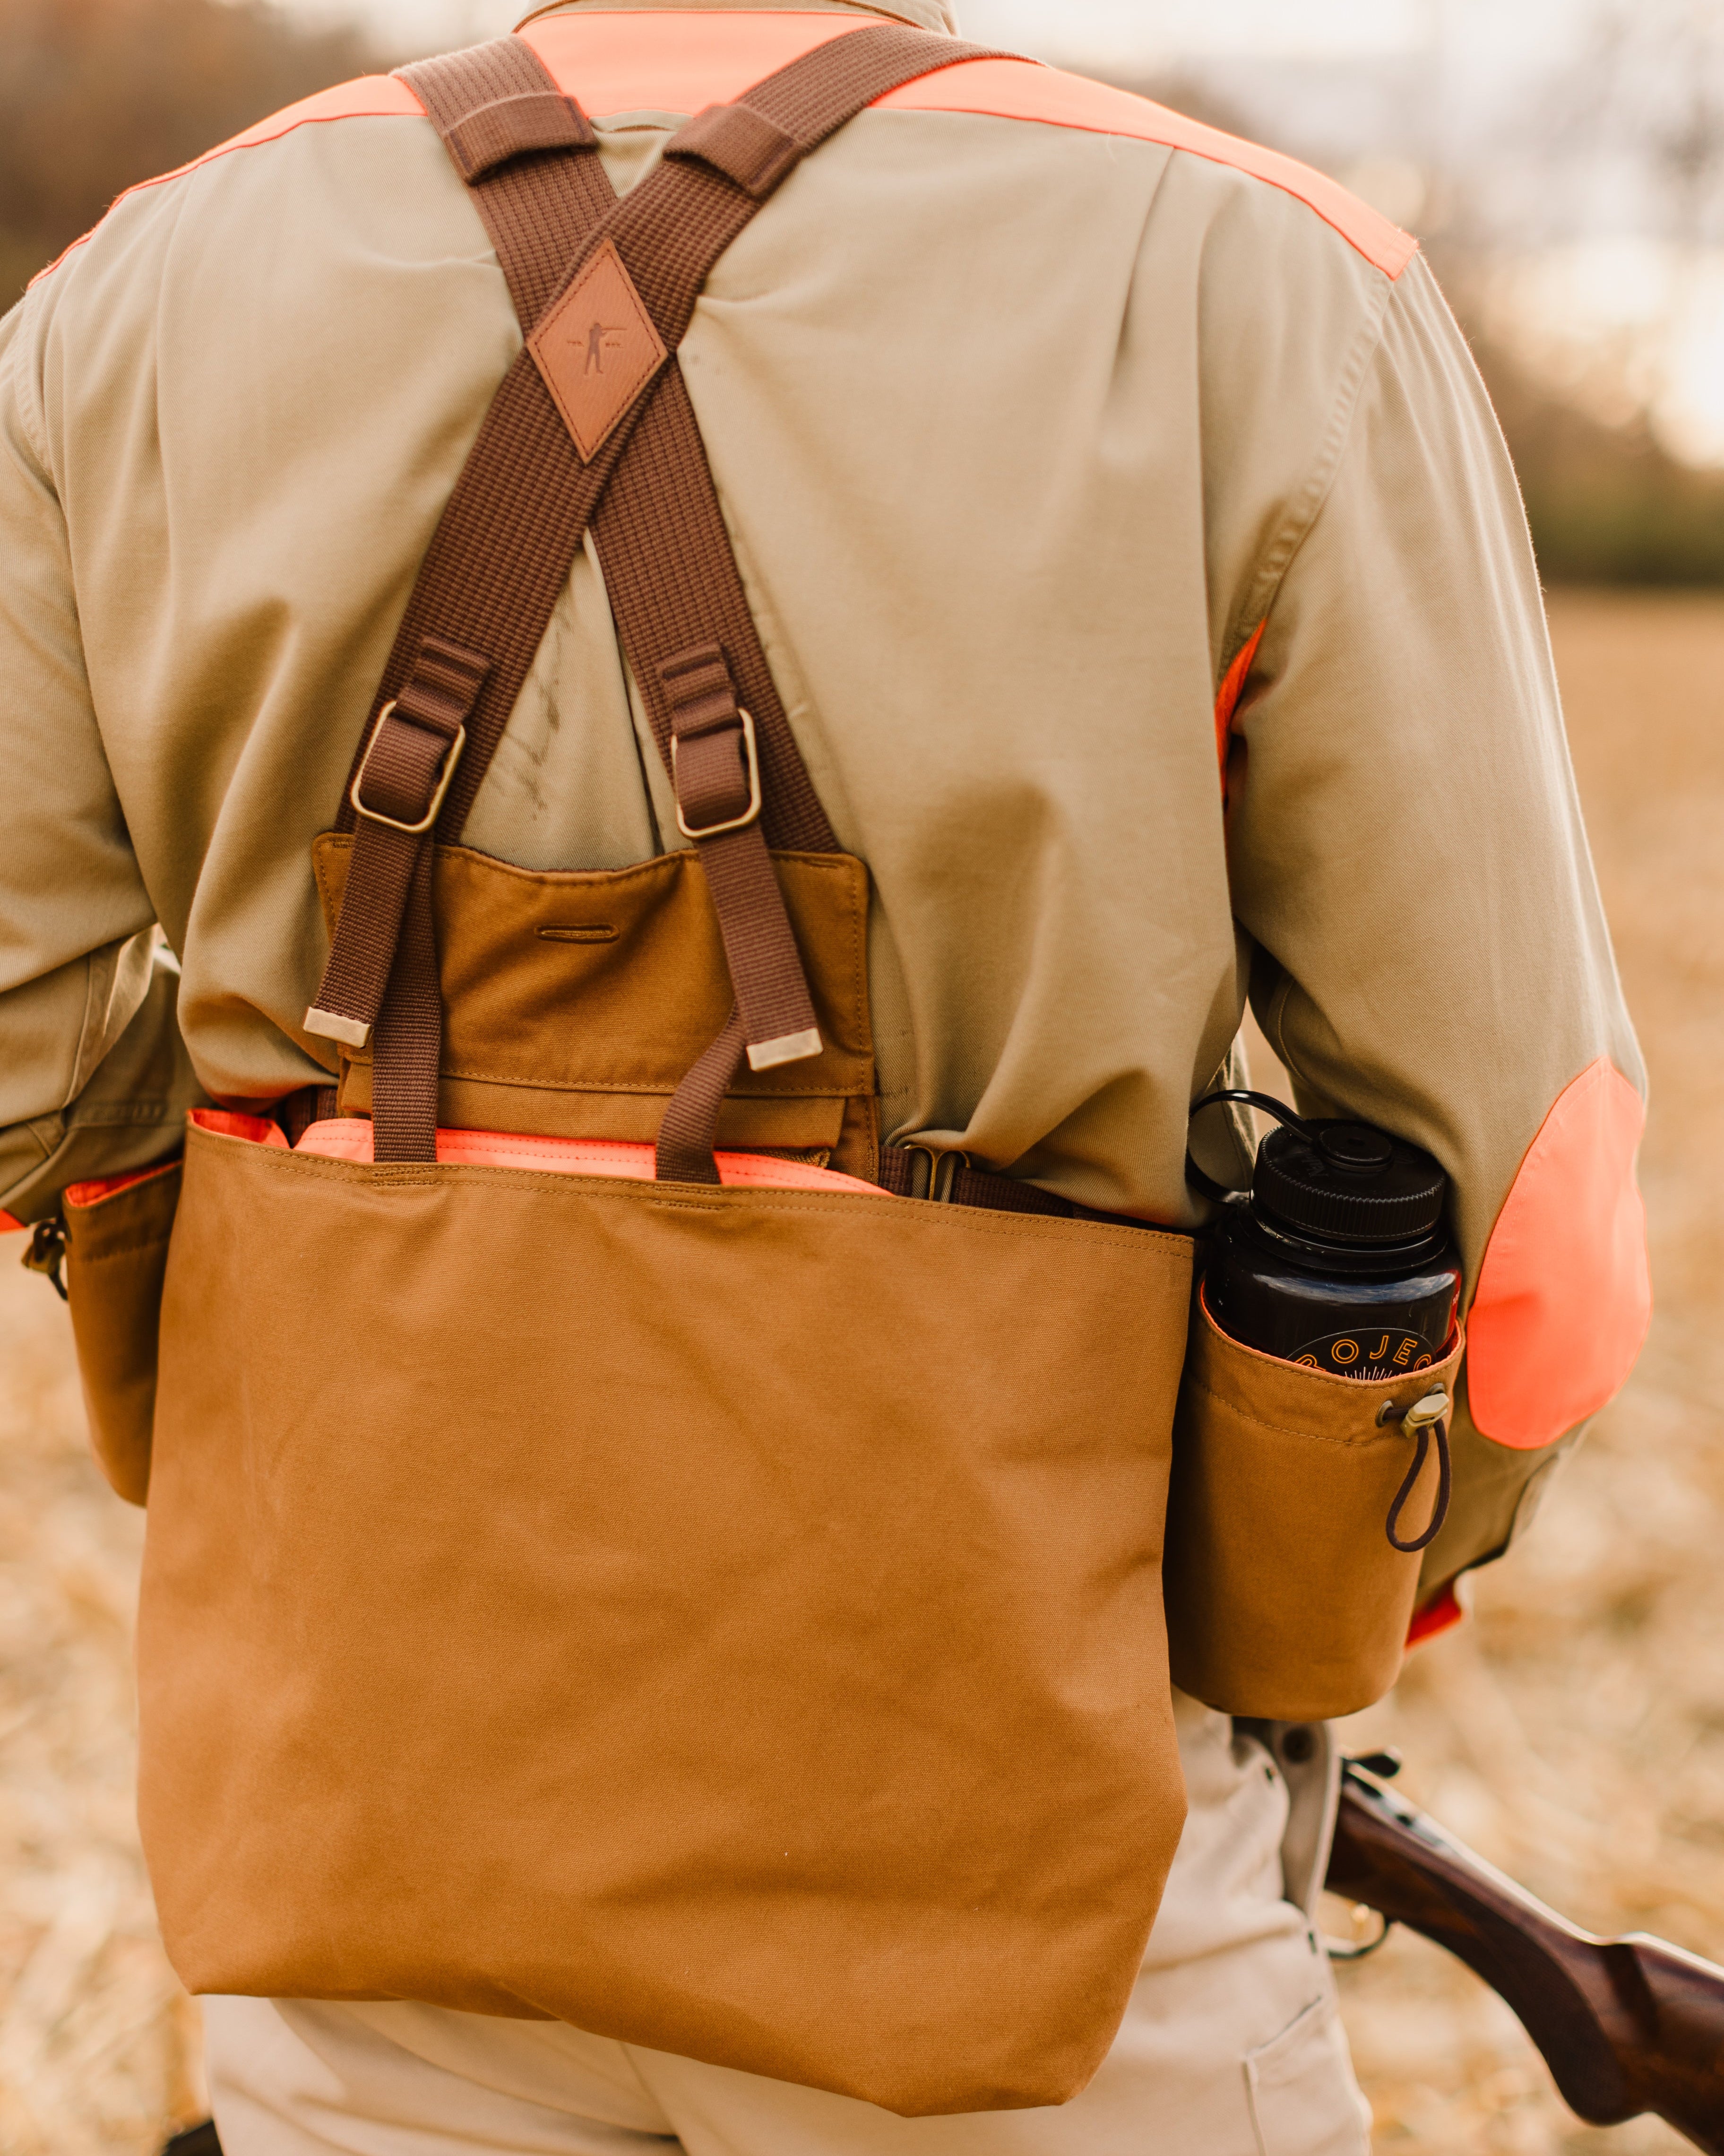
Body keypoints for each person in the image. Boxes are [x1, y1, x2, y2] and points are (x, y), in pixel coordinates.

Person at [0, 1, 1650, 2151]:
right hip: (1046, 1909)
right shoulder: (1267, 280)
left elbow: (26, 1060)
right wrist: (1298, 1596)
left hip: (357, 1854)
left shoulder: (128, 291)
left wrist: (295, 1367)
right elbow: (1523, 1211)